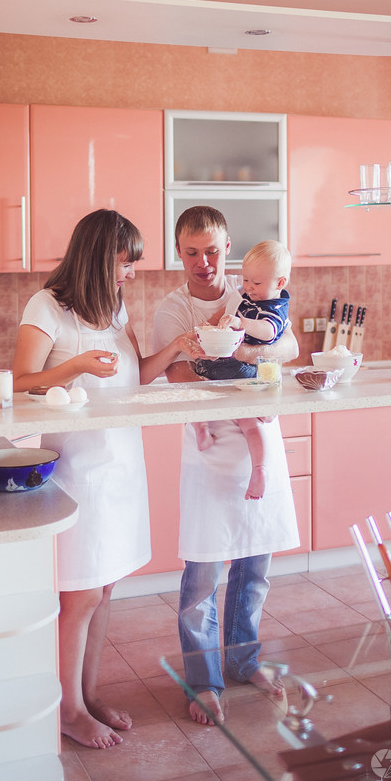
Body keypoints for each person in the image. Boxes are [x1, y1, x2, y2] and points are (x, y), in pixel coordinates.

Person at [12, 209, 201, 750]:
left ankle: (88, 695)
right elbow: (23, 382)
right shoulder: (46, 306)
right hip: (76, 471)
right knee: (80, 595)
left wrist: (175, 349)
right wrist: (73, 368)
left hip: (121, 464)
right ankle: (68, 708)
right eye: (126, 263)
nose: (132, 273)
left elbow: (133, 377)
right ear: (99, 258)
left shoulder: (114, 309)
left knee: (106, 586)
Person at [152, 206, 300, 725]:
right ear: (179, 253)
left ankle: (243, 661)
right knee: (203, 576)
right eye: (192, 252)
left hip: (259, 439)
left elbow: (290, 343)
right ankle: (202, 682)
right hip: (211, 448)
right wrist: (213, 356)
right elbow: (169, 376)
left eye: (212, 250)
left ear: (228, 246)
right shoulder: (170, 310)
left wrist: (253, 352)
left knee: (255, 567)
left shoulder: (249, 293)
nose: (203, 261)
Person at [191, 239, 291, 501]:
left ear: (279, 283)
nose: (248, 287)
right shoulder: (246, 295)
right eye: (246, 280)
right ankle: (201, 428)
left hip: (252, 374)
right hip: (235, 369)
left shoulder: (276, 308)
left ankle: (259, 469)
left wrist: (240, 323)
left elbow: (269, 332)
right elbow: (227, 312)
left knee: (249, 422)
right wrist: (212, 324)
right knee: (198, 380)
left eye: (255, 283)